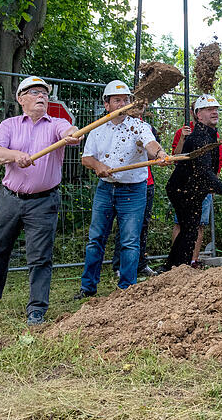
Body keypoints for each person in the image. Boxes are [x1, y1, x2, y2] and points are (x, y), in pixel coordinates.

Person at [0, 76, 79, 326]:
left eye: (45, 94)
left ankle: (36, 309)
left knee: (40, 256)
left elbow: (68, 131)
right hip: (10, 200)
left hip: (43, 202)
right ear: (20, 98)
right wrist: (15, 155)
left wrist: (72, 134)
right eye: (35, 92)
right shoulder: (10, 125)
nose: (41, 97)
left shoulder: (56, 124)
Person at [76, 80, 167, 299]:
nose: (123, 103)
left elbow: (151, 145)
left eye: (126, 100)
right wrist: (99, 166)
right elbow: (86, 158)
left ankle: (127, 289)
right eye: (117, 100)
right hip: (105, 190)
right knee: (96, 239)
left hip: (133, 191)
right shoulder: (96, 128)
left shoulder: (138, 126)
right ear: (107, 104)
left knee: (129, 241)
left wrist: (160, 155)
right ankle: (88, 288)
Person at [163, 95, 222, 270]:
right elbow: (203, 170)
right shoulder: (200, 138)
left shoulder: (210, 134)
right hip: (182, 190)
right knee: (189, 230)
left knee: (189, 230)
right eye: (208, 109)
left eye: (216, 109)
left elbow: (207, 170)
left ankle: (174, 267)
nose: (214, 112)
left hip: (192, 190)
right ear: (198, 115)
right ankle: (178, 268)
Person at [112, 106, 160, 278]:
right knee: (125, 226)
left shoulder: (149, 129)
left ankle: (140, 264)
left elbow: (153, 155)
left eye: (141, 108)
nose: (139, 111)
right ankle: (119, 264)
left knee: (143, 225)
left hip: (147, 182)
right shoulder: (119, 128)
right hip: (127, 183)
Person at [170, 116, 222, 267]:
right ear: (196, 114)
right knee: (180, 223)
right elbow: (176, 157)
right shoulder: (183, 132)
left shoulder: (212, 134)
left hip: (204, 184)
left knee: (199, 223)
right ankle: (178, 261)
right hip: (184, 185)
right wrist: (183, 138)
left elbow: (217, 160)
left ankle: (193, 260)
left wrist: (214, 183)